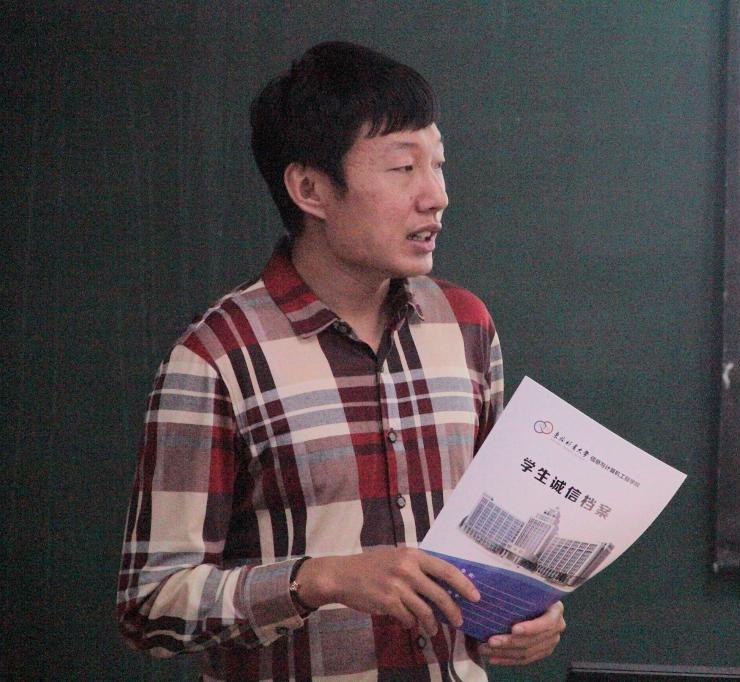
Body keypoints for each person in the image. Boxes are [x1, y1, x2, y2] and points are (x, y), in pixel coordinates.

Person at [117, 41, 565, 681]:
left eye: (438, 164)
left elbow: (496, 542)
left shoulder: (465, 325)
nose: (436, 196)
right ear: (311, 189)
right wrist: (320, 580)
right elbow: (150, 606)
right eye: (403, 168)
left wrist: (530, 612)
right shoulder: (217, 357)